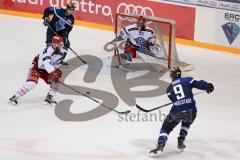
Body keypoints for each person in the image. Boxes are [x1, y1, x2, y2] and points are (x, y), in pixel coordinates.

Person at [149, 67, 214, 155]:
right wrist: (208, 86)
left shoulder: (168, 89)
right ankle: (181, 141)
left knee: (165, 128)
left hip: (177, 111)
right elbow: (200, 84)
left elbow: (174, 100)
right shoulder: (188, 80)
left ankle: (160, 144)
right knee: (186, 124)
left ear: (172, 75)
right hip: (191, 110)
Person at [8, 36, 65, 105]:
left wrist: (56, 70)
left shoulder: (61, 53)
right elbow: (46, 63)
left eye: (59, 44)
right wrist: (52, 72)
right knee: (32, 83)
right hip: (37, 67)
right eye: (56, 44)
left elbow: (55, 63)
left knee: (56, 82)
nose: (57, 46)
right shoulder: (48, 51)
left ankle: (49, 97)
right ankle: (14, 97)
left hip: (46, 70)